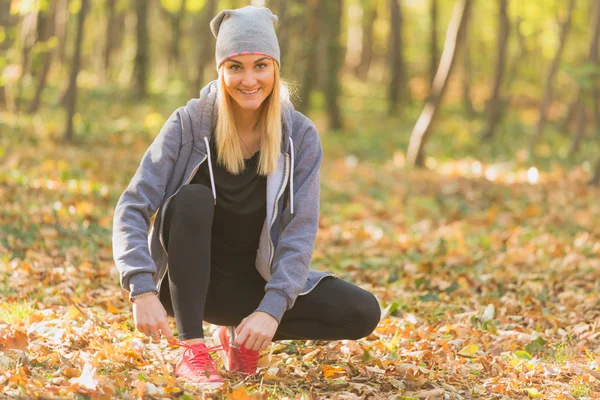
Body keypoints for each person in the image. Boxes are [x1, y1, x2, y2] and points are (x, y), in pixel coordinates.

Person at [112, 6, 381, 388]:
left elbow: (299, 234)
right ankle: (193, 349)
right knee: (192, 200)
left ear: (275, 69)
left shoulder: (299, 136)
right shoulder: (189, 124)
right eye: (235, 66)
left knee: (361, 311)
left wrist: (271, 310)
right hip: (187, 286)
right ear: (220, 70)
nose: (249, 79)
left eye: (261, 65)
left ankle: (240, 339)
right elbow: (132, 206)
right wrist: (140, 287)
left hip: (252, 284)